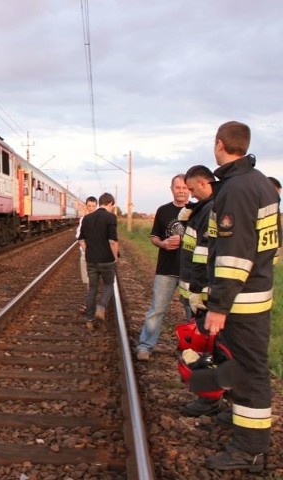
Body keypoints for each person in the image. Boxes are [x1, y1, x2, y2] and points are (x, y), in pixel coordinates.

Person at [188, 121, 280, 472]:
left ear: (219, 144)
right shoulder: (262, 185)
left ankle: (250, 449)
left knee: (250, 372)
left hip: (240, 300)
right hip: (255, 293)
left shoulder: (237, 189)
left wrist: (219, 305)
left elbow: (234, 254)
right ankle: (239, 421)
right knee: (240, 367)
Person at [176, 165, 220, 416]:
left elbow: (203, 255)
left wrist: (197, 291)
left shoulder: (210, 210)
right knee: (201, 347)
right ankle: (209, 397)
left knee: (203, 348)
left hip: (200, 292)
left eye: (192, 189)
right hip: (195, 288)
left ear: (204, 182)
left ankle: (208, 401)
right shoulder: (202, 208)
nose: (190, 194)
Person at [136, 174, 190, 361]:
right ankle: (145, 346)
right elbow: (154, 237)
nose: (182, 191)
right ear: (172, 189)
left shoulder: (198, 211)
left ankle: (190, 350)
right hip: (166, 269)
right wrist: (164, 244)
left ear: (189, 189)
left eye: (185, 187)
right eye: (178, 187)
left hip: (190, 272)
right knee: (157, 309)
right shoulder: (163, 210)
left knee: (192, 313)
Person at [77, 192, 118, 331]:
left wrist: (88, 250)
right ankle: (101, 307)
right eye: (113, 206)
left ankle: (89, 320)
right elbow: (112, 241)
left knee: (92, 289)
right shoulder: (111, 217)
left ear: (100, 202)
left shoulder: (87, 218)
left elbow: (81, 239)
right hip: (106, 260)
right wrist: (115, 258)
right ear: (110, 203)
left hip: (91, 260)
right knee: (109, 284)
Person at [76, 196, 98, 287]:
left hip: (98, 253)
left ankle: (92, 298)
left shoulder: (100, 219)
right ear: (86, 206)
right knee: (88, 280)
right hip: (86, 252)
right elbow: (79, 236)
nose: (91, 208)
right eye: (89, 206)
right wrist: (86, 250)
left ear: (96, 206)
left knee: (95, 280)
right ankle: (90, 299)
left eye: (93, 206)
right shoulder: (83, 219)